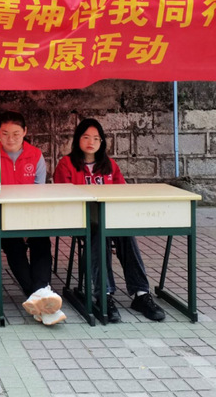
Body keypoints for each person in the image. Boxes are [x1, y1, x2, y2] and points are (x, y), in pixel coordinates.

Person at [53, 118, 166, 323]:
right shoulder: (66, 164)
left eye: (96, 138)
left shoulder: (109, 165)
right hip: (81, 220)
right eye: (86, 137)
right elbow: (63, 197)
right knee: (99, 232)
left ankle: (141, 294)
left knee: (125, 233)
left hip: (110, 218)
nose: (91, 142)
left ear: (102, 141)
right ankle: (104, 295)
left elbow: (121, 194)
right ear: (77, 139)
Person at [0, 111, 66, 326]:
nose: (10, 139)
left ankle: (38, 296)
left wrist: (28, 220)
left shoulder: (35, 155)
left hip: (31, 214)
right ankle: (41, 295)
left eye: (16, 134)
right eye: (5, 133)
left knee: (41, 241)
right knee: (14, 245)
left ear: (25, 132)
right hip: (1, 215)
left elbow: (39, 191)